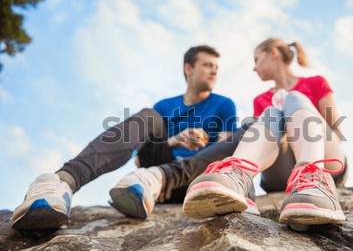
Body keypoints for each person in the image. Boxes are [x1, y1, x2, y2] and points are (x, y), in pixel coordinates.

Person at [11, 45, 238, 231]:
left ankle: (152, 185)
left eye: (216, 67)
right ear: (188, 68)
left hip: (195, 177)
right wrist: (176, 140)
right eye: (207, 65)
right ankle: (62, 182)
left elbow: (229, 149)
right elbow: (143, 155)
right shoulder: (164, 106)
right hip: (153, 172)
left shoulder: (224, 105)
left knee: (239, 137)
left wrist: (206, 144)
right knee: (148, 116)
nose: (214, 71)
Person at [181, 37, 348, 228]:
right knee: (271, 112)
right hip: (282, 173)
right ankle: (238, 175)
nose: (254, 68)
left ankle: (314, 180)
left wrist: (296, 121)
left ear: (274, 54)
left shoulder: (316, 82)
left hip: (326, 160)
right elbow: (262, 144)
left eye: (257, 60)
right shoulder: (261, 99)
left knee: (294, 98)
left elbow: (336, 132)